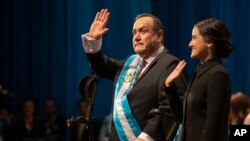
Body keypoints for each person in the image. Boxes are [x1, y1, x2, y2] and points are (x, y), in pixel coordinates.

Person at [81, 9, 188, 141]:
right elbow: (101, 67)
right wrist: (94, 41)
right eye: (134, 32)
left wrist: (146, 137)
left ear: (159, 36)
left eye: (143, 31)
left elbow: (173, 111)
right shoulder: (130, 62)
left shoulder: (171, 65)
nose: (136, 37)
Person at [165, 18, 233, 141]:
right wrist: (169, 87)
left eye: (194, 37)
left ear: (210, 41)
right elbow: (184, 119)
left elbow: (213, 126)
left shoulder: (217, 74)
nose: (190, 44)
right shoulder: (199, 72)